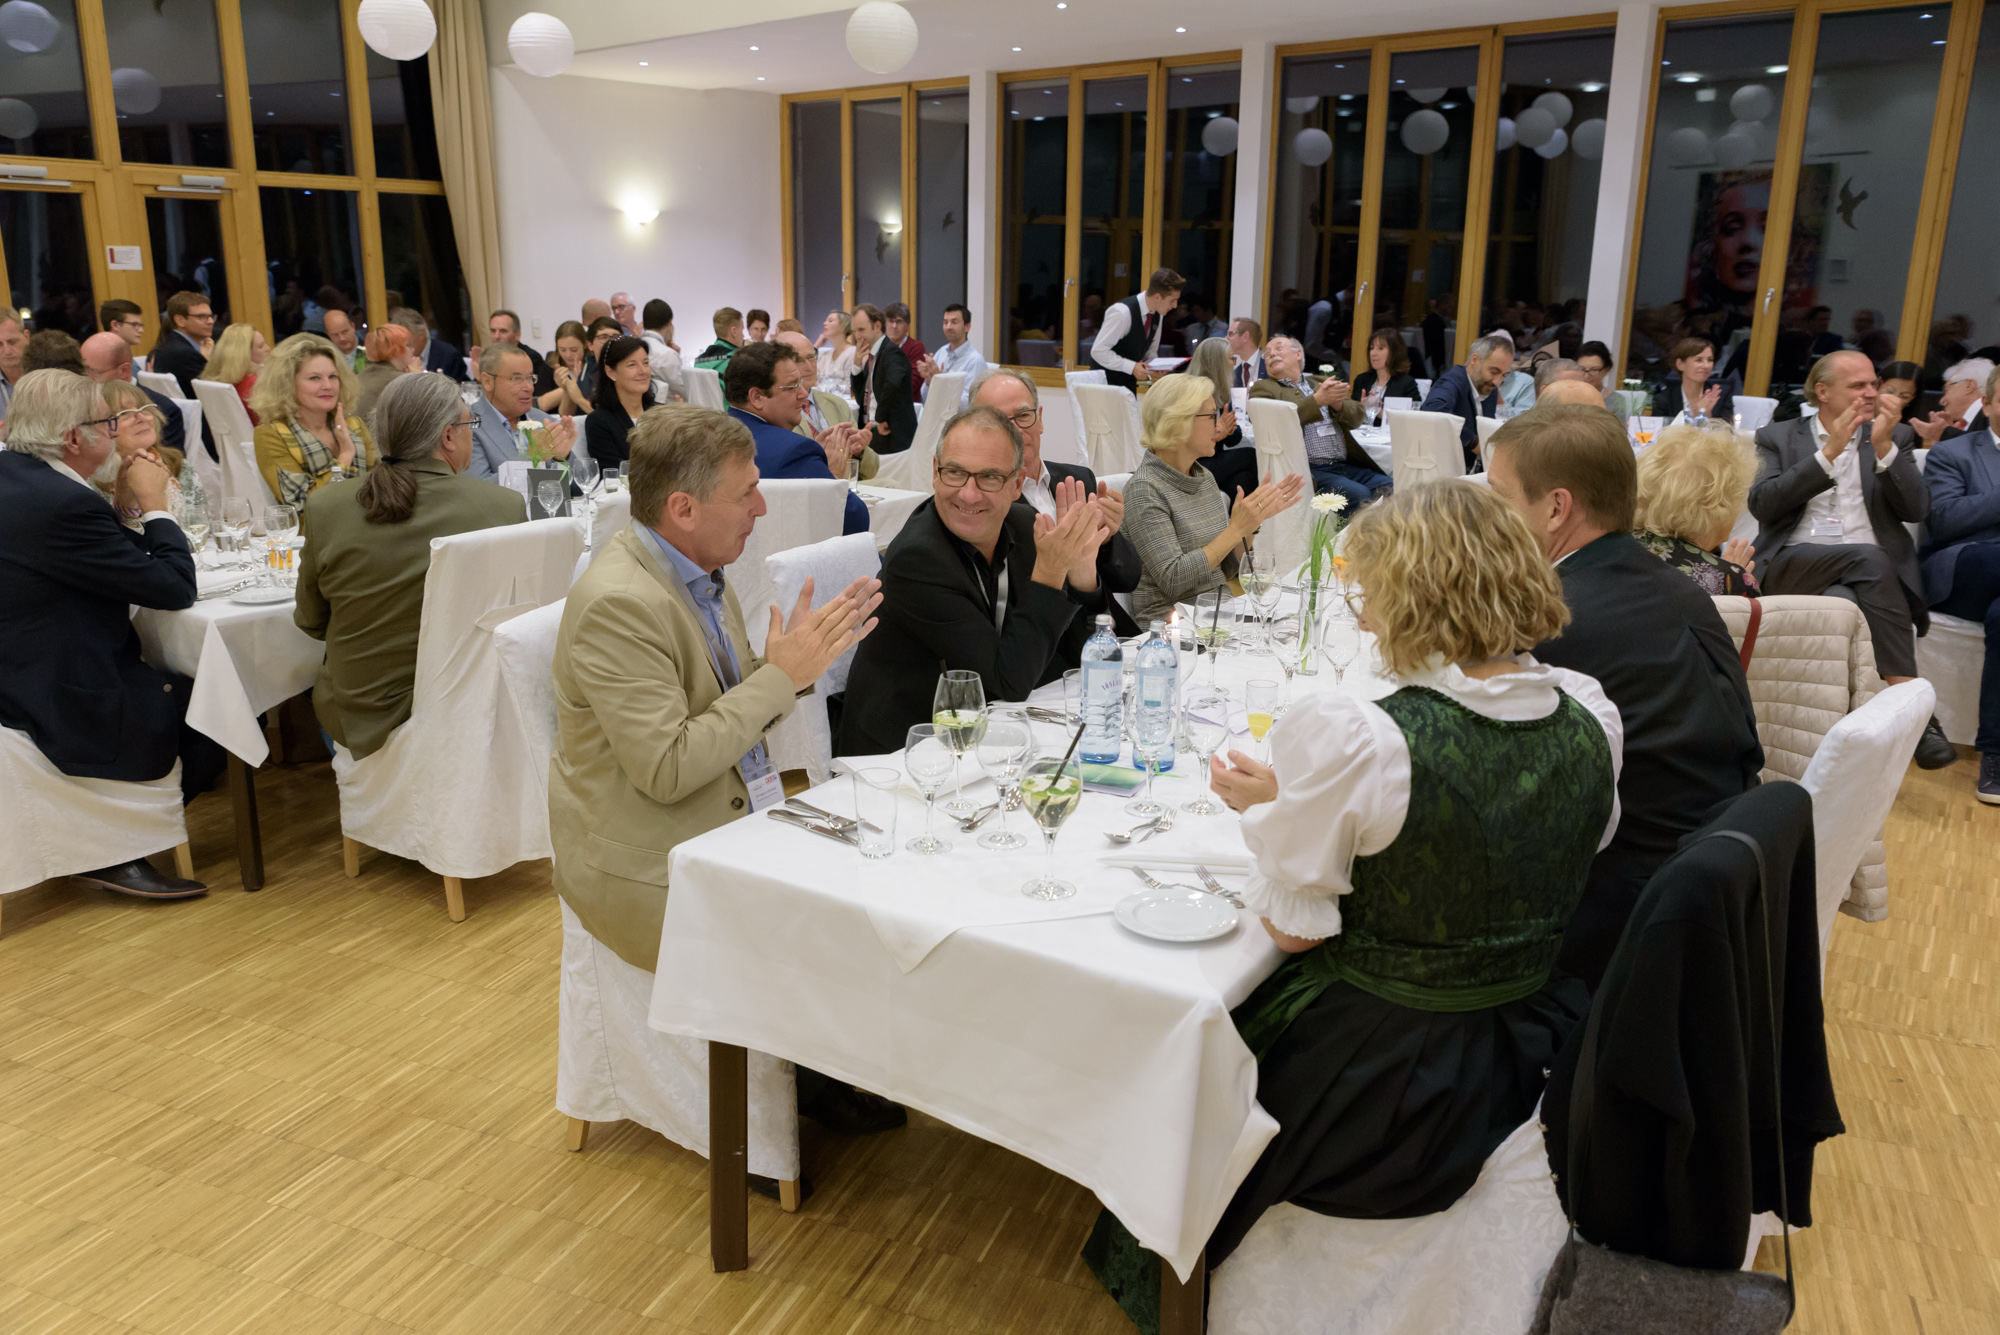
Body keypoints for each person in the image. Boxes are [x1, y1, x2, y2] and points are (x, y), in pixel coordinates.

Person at [1082, 481, 1624, 1325]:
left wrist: (1281, 814)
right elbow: (1511, 844)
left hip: (1385, 1079)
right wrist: (1304, 802)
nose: (1362, 617)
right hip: (1532, 1037)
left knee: (1186, 1036)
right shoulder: (1589, 714)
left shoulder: (1367, 736)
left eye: (1367, 593)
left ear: (1414, 598)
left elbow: (1293, 932)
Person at [548, 403, 897, 1138]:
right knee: (828, 910)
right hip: (647, 858)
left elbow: (725, 705)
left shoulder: (698, 570)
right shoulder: (620, 603)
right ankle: (764, 1121)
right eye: (747, 493)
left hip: (729, 810)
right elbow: (668, 767)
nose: (761, 507)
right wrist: (780, 678)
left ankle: (823, 1067)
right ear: (682, 509)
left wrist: (789, 669)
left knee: (878, 871)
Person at [1486, 403, 1764, 989]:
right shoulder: (1678, 589)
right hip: (1714, 882)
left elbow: (1486, 785)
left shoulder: (1552, 615)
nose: (1488, 515)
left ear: (1557, 507)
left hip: (1619, 925)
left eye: (1499, 497)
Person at [0, 369, 221, 896]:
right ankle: (114, 847)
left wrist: (119, 507)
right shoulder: (61, 502)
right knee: (217, 699)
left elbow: (97, 559)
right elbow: (174, 588)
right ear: (73, 438)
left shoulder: (19, 478)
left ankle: (104, 843)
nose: (116, 430)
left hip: (18, 665)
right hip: (57, 689)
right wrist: (156, 507)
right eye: (108, 422)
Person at [836, 406, 1114, 757]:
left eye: (989, 477)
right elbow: (1006, 683)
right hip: (907, 750)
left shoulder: (1024, 527)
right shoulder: (917, 559)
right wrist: (1050, 574)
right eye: (955, 473)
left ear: (1017, 484)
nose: (969, 494)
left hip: (987, 731)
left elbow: (1082, 660)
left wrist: (1081, 572)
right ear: (935, 473)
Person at [295, 371, 529, 760]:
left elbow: (311, 621)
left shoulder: (325, 507)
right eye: (470, 425)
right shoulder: (503, 507)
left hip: (360, 719)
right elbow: (517, 622)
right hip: (467, 711)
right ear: (449, 436)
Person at [1750, 350, 1955, 767]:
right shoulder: (1778, 436)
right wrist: (1827, 454)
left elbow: (1917, 510)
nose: (1871, 393)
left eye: (1873, 384)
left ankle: (1837, 748)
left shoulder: (1893, 435)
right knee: (1869, 558)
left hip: (1869, 575)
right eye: (1857, 385)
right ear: (1823, 391)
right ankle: (1914, 706)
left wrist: (1883, 447)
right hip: (1793, 561)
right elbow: (1764, 504)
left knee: (1846, 597)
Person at [971, 367, 1142, 633]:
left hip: (1110, 633)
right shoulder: (982, 505)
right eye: (999, 420)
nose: (1015, 429)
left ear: (1039, 419)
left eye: (1023, 416)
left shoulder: (1078, 479)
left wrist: (1107, 539)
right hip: (1044, 643)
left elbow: (1128, 580)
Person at [1123, 373, 1305, 623]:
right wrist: (1235, 530)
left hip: (1219, 615)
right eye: (1211, 416)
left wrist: (1251, 524)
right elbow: (1174, 579)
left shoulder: (1203, 477)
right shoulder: (1144, 489)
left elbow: (1227, 567)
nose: (1218, 425)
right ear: (1179, 422)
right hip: (1171, 628)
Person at [1919, 362, 2000, 802]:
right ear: (1986, 404)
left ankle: (1995, 754)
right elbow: (1945, 519)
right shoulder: (1953, 452)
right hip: (1964, 570)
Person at [722, 339, 870, 535]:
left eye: (800, 383)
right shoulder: (795, 452)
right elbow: (855, 522)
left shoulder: (713, 436)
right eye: (792, 386)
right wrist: (833, 477)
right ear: (757, 397)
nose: (803, 393)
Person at [1252, 335, 1391, 508]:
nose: (1272, 354)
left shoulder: (1320, 381)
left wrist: (1338, 405)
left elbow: (1357, 417)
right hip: (1310, 470)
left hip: (1344, 465)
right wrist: (1317, 401)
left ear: (1298, 354)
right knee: (1359, 494)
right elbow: (1275, 424)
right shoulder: (1264, 389)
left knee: (1391, 487)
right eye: (1267, 354)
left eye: (1279, 348)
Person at [1632, 422, 1761, 596]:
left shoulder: (1609, 551)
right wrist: (1728, 577)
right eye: (1737, 497)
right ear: (1716, 507)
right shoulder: (1732, 582)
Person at [252, 334, 378, 508]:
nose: (328, 386)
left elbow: (379, 481)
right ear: (288, 384)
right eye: (314, 378)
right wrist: (345, 457)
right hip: (319, 525)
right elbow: (301, 505)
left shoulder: (354, 425)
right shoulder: (271, 435)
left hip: (367, 516)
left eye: (333, 377)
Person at [470, 343, 578, 481]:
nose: (529, 387)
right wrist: (532, 459)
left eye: (530, 378)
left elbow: (577, 485)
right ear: (487, 381)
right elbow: (479, 487)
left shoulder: (543, 420)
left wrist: (562, 458)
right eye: (516, 378)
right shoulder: (469, 425)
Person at [80, 331, 187, 460]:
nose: (85, 379)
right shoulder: (81, 403)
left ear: (124, 370)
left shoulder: (165, 410)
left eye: (93, 372)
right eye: (83, 370)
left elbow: (170, 461)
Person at [1421, 333, 1514, 468]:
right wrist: (1473, 443)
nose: (1497, 382)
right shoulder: (1452, 383)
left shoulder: (1489, 387)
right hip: (1447, 470)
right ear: (1474, 360)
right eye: (1494, 372)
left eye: (1504, 375)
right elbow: (1433, 411)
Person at [1184, 337, 1260, 500]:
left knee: (1244, 479)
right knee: (1251, 455)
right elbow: (1185, 438)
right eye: (1231, 359)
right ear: (1217, 363)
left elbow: (1233, 438)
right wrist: (1215, 435)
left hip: (1212, 460)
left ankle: (1241, 516)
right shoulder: (1191, 393)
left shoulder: (1220, 392)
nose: (1234, 364)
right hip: (1191, 464)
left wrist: (1227, 431)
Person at [1090, 267, 1186, 391]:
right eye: (1172, 300)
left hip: (1128, 386)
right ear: (1157, 297)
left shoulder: (1158, 315)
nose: (1175, 306)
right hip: (1103, 387)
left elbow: (1150, 352)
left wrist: (1156, 368)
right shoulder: (1122, 313)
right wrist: (1131, 367)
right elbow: (1098, 351)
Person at [849, 303, 918, 454]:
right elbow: (861, 398)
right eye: (854, 331)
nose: (857, 336)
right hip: (871, 430)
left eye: (861, 330)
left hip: (890, 434)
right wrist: (856, 364)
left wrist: (880, 419)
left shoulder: (892, 353)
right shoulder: (874, 355)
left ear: (877, 326)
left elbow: (892, 385)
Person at [584, 335, 655, 471]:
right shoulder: (599, 422)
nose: (643, 371)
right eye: (632, 365)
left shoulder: (661, 413)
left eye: (646, 363)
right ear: (611, 372)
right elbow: (614, 472)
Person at [147, 291, 216, 400]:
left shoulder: (169, 343)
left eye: (210, 316)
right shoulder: (184, 353)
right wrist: (208, 361)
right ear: (180, 320)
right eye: (202, 316)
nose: (211, 321)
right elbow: (213, 392)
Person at [1652, 336, 1736, 425]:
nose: (1706, 366)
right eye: (1698, 360)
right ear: (1680, 364)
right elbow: (1661, 432)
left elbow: (1727, 431)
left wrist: (1707, 414)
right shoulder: (1663, 400)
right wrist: (1697, 415)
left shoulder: (1721, 395)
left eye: (1710, 360)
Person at [915, 303, 987, 405]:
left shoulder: (975, 360)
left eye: (954, 322)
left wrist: (940, 383)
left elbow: (968, 405)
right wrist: (929, 380)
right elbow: (925, 399)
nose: (948, 327)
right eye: (945, 322)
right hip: (935, 412)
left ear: (967, 327)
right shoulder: (941, 352)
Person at [200, 323, 269, 424]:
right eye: (260, 346)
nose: (267, 348)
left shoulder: (217, 379)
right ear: (244, 354)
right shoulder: (253, 384)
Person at [1913, 358, 1993, 444]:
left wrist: (1944, 433)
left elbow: (1983, 448)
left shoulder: (1991, 416)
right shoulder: (1976, 419)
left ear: (1969, 386)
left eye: (1946, 390)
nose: (1942, 401)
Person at [355, 324, 422, 422]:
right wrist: (418, 378)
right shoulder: (402, 381)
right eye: (408, 345)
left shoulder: (363, 374)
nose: (413, 349)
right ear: (395, 349)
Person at [1351, 327, 1421, 413]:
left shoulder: (1406, 384)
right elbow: (1351, 417)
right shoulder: (1361, 380)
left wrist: (1378, 412)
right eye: (1372, 348)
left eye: (1380, 348)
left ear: (1395, 352)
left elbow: (1412, 417)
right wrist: (1360, 409)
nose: (1373, 353)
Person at [485, 309, 553, 396]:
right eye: (493, 331)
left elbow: (531, 396)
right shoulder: (489, 357)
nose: (496, 336)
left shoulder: (530, 358)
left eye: (503, 331)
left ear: (517, 335)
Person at [390, 307, 467, 383]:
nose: (401, 345)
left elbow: (461, 387)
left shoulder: (448, 355)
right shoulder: (394, 356)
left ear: (421, 334)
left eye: (406, 341)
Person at [538, 320, 594, 416]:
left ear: (585, 345)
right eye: (563, 350)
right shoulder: (550, 367)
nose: (568, 355)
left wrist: (576, 385)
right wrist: (568, 387)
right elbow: (542, 404)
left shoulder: (593, 366)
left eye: (574, 350)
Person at [640, 299, 686, 403]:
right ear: (669, 323)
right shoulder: (667, 354)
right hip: (666, 408)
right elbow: (683, 391)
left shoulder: (635, 347)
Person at [816, 309, 857, 394]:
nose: (824, 323)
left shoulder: (852, 353)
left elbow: (852, 387)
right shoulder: (825, 355)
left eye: (830, 321)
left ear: (843, 327)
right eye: (826, 320)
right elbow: (814, 379)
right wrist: (816, 346)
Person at [695, 307, 744, 373]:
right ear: (734, 331)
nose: (743, 335)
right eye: (742, 330)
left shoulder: (699, 362)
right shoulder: (737, 362)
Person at [1877, 360, 1924, 427]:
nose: (1894, 400)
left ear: (1912, 398)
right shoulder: (1862, 413)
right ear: (1878, 384)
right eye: (1890, 391)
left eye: (1904, 396)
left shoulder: (1908, 428)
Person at [883, 302, 926, 368]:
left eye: (899, 321)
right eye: (891, 321)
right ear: (885, 324)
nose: (894, 326)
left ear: (907, 327)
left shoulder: (916, 347)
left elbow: (913, 374)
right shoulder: (880, 347)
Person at [1226, 317, 1266, 388]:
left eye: (1230, 333)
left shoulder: (1269, 366)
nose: (1226, 338)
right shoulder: (1235, 374)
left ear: (1245, 336)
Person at [323, 308, 363, 373]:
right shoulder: (326, 358)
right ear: (328, 335)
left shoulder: (370, 350)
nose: (342, 338)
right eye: (335, 335)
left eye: (345, 332)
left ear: (353, 327)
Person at [0, 312, 22, 420]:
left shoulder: (46, 380)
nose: (7, 351)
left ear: (27, 337)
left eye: (12, 342)